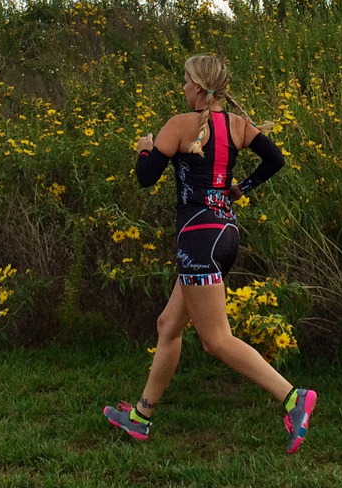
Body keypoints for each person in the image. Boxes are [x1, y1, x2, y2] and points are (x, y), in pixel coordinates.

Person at [103, 54, 317, 454]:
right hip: (225, 234)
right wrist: (242, 189)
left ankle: (293, 397)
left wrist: (144, 149)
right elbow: (276, 159)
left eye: (186, 81)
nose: (182, 88)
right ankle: (140, 418)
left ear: (199, 88)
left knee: (216, 340)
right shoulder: (237, 125)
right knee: (169, 325)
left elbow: (146, 178)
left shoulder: (180, 125)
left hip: (199, 240)